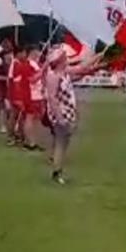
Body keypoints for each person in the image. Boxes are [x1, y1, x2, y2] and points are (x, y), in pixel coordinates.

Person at [44, 49, 79, 185]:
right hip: (60, 113)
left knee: (64, 143)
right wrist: (59, 117)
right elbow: (52, 98)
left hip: (68, 112)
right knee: (60, 142)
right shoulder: (53, 76)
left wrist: (100, 56)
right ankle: (56, 172)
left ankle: (58, 169)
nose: (67, 59)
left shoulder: (64, 73)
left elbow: (83, 68)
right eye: (64, 58)